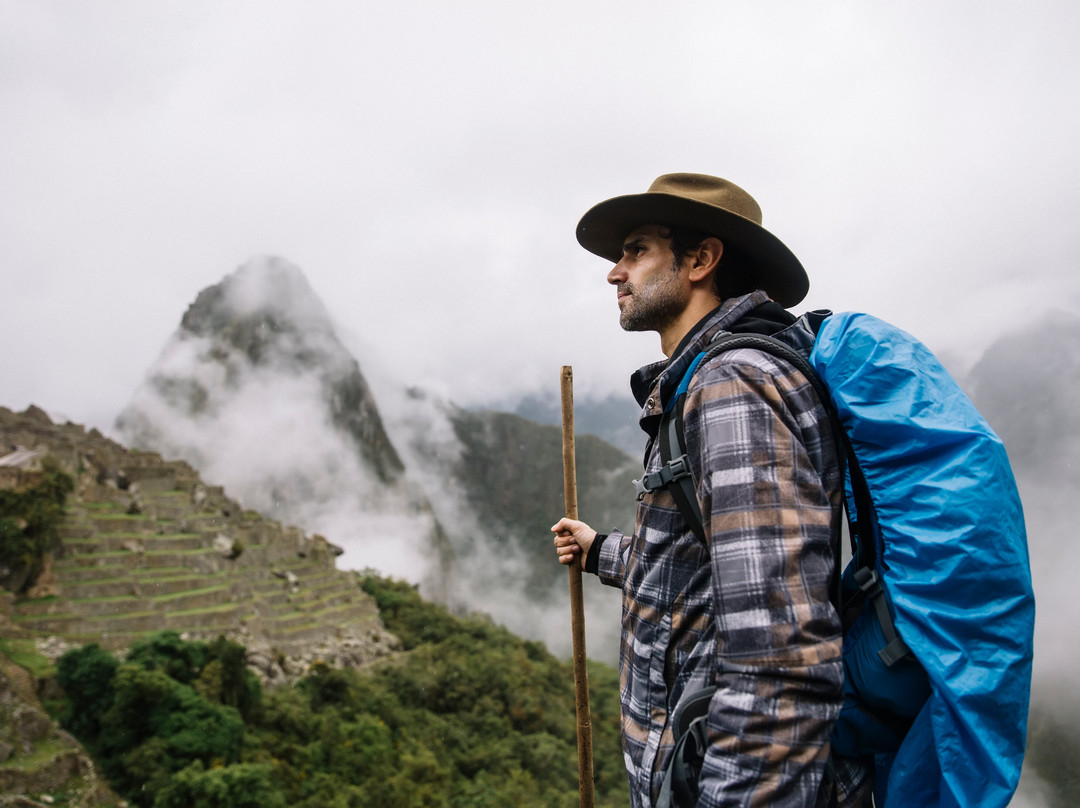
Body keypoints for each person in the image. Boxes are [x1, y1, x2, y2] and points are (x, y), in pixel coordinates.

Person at [552, 174, 870, 807]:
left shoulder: (731, 388)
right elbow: (706, 568)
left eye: (637, 250)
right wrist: (601, 551)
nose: (615, 273)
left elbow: (777, 657)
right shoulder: (706, 382)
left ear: (700, 260)